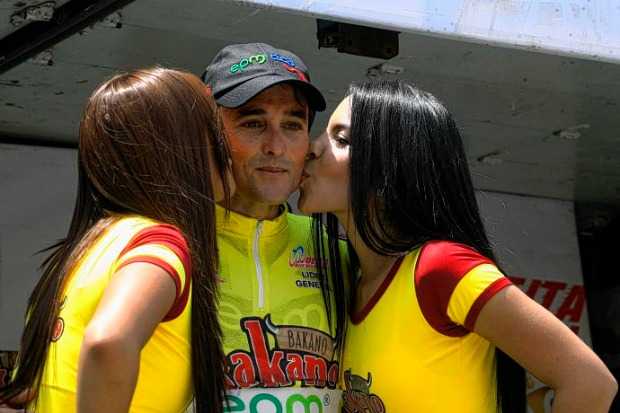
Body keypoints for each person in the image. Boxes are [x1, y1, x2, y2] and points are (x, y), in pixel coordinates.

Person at [298, 79, 618, 412]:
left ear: (390, 170)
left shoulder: (441, 268)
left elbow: (590, 382)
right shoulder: (350, 282)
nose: (313, 147)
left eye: (342, 139)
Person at [0, 67, 234, 413]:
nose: (227, 144)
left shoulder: (78, 254)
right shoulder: (158, 242)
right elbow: (108, 340)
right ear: (177, 148)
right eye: (214, 127)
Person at [201, 43, 346, 411]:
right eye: (253, 123)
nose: (276, 147)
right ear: (209, 132)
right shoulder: (164, 245)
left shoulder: (340, 255)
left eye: (293, 125)